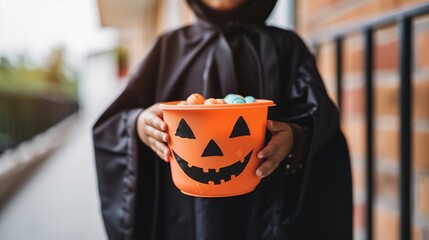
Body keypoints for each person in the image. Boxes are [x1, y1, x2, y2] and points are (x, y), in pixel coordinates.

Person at [92, 0, 353, 239]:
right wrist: (139, 124)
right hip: (180, 219)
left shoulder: (286, 47)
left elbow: (322, 123)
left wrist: (297, 138)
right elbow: (114, 122)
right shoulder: (167, 48)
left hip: (265, 217)